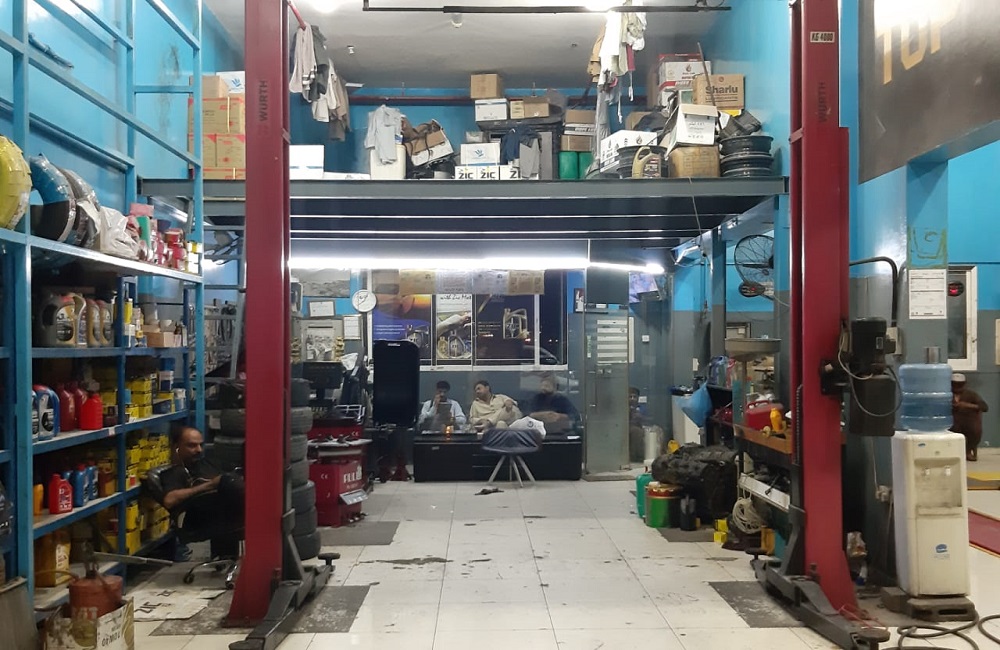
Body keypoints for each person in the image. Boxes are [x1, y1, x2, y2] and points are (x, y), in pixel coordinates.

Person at [161, 426, 244, 558]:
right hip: (198, 519)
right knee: (228, 482)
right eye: (192, 446)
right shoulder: (174, 472)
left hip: (225, 512)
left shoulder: (208, 463)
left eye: (200, 445)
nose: (199, 450)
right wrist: (210, 485)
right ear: (176, 447)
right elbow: (169, 500)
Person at [950, 373, 988, 462]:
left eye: (959, 385)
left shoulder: (971, 394)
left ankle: (968, 451)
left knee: (974, 430)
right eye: (955, 385)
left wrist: (967, 405)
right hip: (951, 422)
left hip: (968, 422)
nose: (957, 387)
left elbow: (984, 407)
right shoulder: (947, 394)